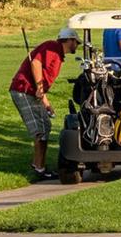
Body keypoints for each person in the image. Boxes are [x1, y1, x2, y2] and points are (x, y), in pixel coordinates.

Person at [10, 26, 79, 181]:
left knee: (45, 126)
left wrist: (46, 103)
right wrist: (40, 87)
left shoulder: (58, 55)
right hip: (23, 90)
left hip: (30, 92)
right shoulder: (52, 47)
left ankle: (38, 165)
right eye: (76, 42)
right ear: (70, 40)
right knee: (40, 129)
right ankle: (39, 168)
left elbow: (41, 81)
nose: (77, 46)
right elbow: (35, 63)